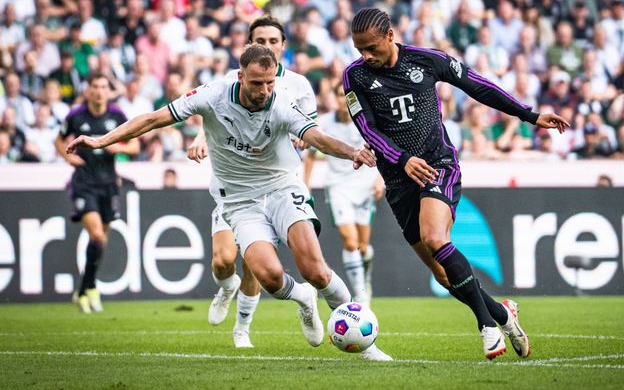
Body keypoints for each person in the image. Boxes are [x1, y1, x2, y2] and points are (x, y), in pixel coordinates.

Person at [66, 44, 392, 361]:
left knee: (316, 271)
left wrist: (352, 151)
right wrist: (101, 141)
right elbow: (154, 119)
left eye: (269, 82)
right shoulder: (212, 95)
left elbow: (316, 137)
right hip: (240, 201)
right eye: (256, 83)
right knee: (270, 277)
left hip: (281, 187)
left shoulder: (281, 104)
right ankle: (303, 299)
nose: (264, 90)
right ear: (240, 76)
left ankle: (366, 344)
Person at [345, 8, 569, 360]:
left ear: (390, 35)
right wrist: (402, 159)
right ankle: (501, 313)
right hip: (398, 179)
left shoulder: (427, 60)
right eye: (360, 50)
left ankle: (486, 326)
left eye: (371, 47)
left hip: (438, 164)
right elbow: (367, 129)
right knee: (443, 275)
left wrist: (529, 114)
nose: (366, 56)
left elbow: (478, 85)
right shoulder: (354, 76)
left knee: (436, 238)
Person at [187, 14, 317, 349]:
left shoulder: (300, 85)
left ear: (283, 46)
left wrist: (305, 143)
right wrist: (201, 136)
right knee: (222, 260)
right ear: (249, 44)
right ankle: (226, 286)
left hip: (275, 184)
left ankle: (242, 328)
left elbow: (311, 134)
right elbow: (213, 112)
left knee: (255, 262)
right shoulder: (236, 78)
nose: (268, 46)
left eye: (274, 41)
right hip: (233, 184)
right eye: (261, 40)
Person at [54, 74, 140, 313]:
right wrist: (68, 157)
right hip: (84, 183)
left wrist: (118, 148)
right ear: (88, 90)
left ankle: (85, 288)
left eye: (104, 87)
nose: (100, 91)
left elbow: (134, 145)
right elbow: (59, 140)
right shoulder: (75, 116)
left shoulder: (117, 116)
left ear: (108, 92)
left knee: (101, 241)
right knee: (97, 237)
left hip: (109, 184)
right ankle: (88, 289)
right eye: (96, 87)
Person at [304, 83, 384, 304]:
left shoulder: (365, 122)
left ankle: (364, 276)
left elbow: (382, 150)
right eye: (338, 95)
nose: (342, 100)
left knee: (363, 246)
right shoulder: (324, 123)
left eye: (345, 96)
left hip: (365, 185)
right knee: (350, 242)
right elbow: (311, 155)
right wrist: (305, 185)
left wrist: (379, 179)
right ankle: (360, 293)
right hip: (338, 186)